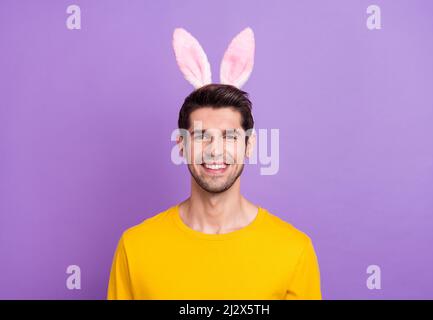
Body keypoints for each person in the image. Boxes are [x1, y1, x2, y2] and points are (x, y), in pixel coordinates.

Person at [107, 27, 322, 300]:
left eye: (229, 136)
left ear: (249, 146)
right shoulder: (134, 247)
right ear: (181, 145)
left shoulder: (294, 251)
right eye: (201, 136)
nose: (215, 150)